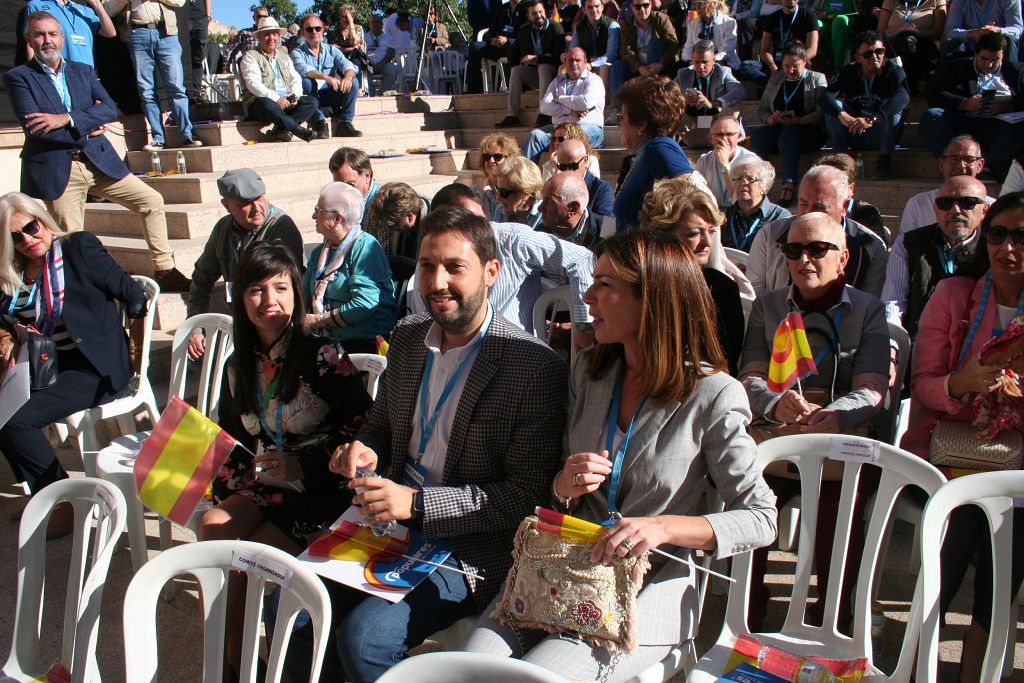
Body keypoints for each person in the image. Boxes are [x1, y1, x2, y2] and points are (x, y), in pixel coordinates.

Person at [465, 230, 777, 681]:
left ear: (652, 299)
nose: (587, 295)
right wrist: (562, 486)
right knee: (470, 670)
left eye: (605, 285)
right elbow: (553, 489)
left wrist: (662, 527)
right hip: (561, 569)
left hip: (645, 592)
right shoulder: (590, 372)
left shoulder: (712, 395)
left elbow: (762, 517)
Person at [279, 206, 573, 683]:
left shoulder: (532, 367)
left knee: (364, 639)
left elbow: (525, 497)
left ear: (491, 272)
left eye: (455, 267)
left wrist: (416, 503)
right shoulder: (410, 334)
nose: (436, 282)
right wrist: (363, 448)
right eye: (426, 266)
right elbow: (380, 424)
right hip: (389, 527)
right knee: (291, 604)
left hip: (470, 546)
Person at [200, 241, 372, 680]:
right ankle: (231, 656)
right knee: (212, 526)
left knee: (245, 562)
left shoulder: (324, 357)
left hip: (324, 489)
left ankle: (233, 664)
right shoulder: (239, 366)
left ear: (297, 293)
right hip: (271, 485)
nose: (269, 301)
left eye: (281, 288)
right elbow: (233, 439)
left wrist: (306, 467)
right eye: (256, 290)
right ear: (240, 298)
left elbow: (364, 428)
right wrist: (234, 481)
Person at [740, 212, 890, 631]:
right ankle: (746, 613)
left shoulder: (868, 310)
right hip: (778, 434)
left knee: (836, 513)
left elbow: (874, 387)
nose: (804, 258)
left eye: (817, 249)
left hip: (838, 438)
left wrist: (836, 415)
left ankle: (833, 619)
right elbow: (749, 376)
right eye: (794, 250)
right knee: (748, 498)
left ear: (842, 259)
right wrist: (773, 403)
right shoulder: (769, 306)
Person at [899, 191, 1024, 683]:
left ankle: (972, 670)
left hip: (1016, 463)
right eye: (998, 234)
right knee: (971, 517)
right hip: (952, 453)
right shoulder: (955, 295)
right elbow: (922, 385)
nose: (1008, 247)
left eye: (1021, 236)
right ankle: (916, 666)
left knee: (1008, 528)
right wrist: (963, 383)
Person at [5, 11, 191, 293]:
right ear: (28, 39)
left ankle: (164, 268)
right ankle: (86, 290)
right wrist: (86, 123)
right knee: (73, 239)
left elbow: (107, 108)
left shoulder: (82, 70)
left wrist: (66, 119)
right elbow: (37, 129)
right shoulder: (19, 77)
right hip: (59, 169)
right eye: (40, 35)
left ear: (62, 38)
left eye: (52, 34)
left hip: (99, 161)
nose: (47, 41)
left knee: (151, 200)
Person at [0, 192, 147, 539]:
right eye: (14, 237)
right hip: (50, 366)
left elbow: (132, 295)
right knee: (1, 412)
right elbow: (6, 318)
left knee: (17, 422)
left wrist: (135, 351)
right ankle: (40, 492)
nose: (27, 239)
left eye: (31, 228)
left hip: (96, 367)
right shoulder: (16, 272)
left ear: (43, 220)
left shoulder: (77, 249)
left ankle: (64, 501)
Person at [422, 184, 597, 337]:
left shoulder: (513, 240)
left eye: (481, 221)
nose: (438, 282)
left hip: (511, 351)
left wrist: (583, 327)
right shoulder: (430, 258)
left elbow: (581, 259)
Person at [186, 169, 303, 358]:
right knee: (199, 357)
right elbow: (201, 278)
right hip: (241, 319)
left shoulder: (281, 227)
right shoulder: (223, 229)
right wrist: (196, 326)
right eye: (245, 203)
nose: (256, 207)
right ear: (226, 205)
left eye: (259, 198)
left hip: (273, 322)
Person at [640, 179, 747, 373]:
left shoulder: (721, 288)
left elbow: (725, 364)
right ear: (660, 234)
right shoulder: (637, 285)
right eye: (693, 233)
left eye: (711, 231)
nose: (707, 242)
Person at [747, 164, 889, 297]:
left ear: (844, 206)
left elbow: (870, 303)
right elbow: (756, 292)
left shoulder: (870, 247)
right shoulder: (770, 234)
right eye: (803, 204)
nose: (808, 213)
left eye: (819, 207)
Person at [881, 175, 987, 337]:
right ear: (935, 209)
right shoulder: (908, 243)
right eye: (945, 203)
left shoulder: (992, 247)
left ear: (984, 211)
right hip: (919, 343)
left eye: (967, 203)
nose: (955, 210)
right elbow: (893, 304)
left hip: (973, 345)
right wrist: (893, 345)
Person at [920, 31, 1024, 184]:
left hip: (1001, 126)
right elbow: (935, 94)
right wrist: (964, 103)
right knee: (932, 116)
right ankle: (954, 162)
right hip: (966, 121)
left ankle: (987, 165)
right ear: (976, 53)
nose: (988, 64)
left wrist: (1008, 105)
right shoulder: (957, 67)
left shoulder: (1017, 71)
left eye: (995, 60)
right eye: (984, 59)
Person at [303, 183, 397, 354]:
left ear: (337, 218)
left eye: (319, 210)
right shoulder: (320, 253)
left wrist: (320, 320)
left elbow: (365, 304)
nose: (313, 215)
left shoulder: (365, 248)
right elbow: (302, 294)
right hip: (326, 340)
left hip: (361, 342)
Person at [103, 0, 201, 151]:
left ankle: (187, 135)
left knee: (176, 87)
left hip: (166, 33)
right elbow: (108, 10)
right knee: (146, 91)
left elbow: (180, 2)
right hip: (137, 34)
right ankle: (157, 138)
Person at [821, 31, 910, 180]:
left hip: (883, 132)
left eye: (879, 51)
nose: (875, 57)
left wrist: (873, 118)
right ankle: (841, 159)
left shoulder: (893, 70)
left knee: (894, 108)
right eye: (868, 54)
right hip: (855, 129)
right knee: (834, 107)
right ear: (858, 57)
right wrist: (842, 115)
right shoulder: (849, 71)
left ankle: (884, 160)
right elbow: (825, 97)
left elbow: (903, 96)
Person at [611, 76, 694, 233]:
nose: (618, 125)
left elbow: (692, 199)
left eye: (621, 118)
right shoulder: (646, 153)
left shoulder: (661, 150)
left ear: (641, 125)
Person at [749, 41, 827, 207]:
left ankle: (789, 183)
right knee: (758, 136)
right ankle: (757, 180)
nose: (790, 71)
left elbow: (822, 112)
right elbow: (762, 110)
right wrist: (772, 118)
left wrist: (799, 120)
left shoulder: (817, 79)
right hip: (780, 127)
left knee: (789, 136)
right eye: (786, 66)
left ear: (805, 62)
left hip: (807, 130)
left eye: (795, 66)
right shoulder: (776, 79)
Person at [239, 17, 319, 143]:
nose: (271, 38)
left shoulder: (284, 56)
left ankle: (283, 130)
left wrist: (295, 95)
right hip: (261, 102)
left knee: (311, 101)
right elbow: (253, 84)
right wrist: (276, 98)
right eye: (266, 34)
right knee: (267, 104)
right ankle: (297, 130)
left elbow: (295, 79)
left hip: (285, 100)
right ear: (259, 37)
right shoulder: (250, 57)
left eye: (274, 34)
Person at [524, 46, 605, 163]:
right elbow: (544, 106)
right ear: (565, 62)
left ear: (585, 62)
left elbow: (585, 103)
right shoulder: (557, 82)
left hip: (589, 128)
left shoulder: (593, 80)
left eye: (578, 60)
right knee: (535, 136)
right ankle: (528, 178)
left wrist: (559, 99)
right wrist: (570, 111)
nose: (574, 63)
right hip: (559, 129)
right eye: (570, 60)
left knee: (568, 137)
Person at [291, 13, 362, 139]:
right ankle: (320, 122)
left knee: (354, 82)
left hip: (329, 93)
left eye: (318, 28)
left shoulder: (331, 50)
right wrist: (326, 77)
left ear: (323, 29)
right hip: (310, 97)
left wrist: (347, 77)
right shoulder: (297, 52)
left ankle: (345, 123)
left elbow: (349, 66)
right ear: (303, 32)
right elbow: (305, 70)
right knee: (307, 81)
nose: (314, 32)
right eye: (309, 29)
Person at [497, 0, 566, 128]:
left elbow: (557, 56)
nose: (539, 15)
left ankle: (543, 113)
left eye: (540, 12)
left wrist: (537, 58)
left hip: (552, 74)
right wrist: (514, 65)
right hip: (534, 74)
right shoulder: (524, 30)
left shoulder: (556, 28)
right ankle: (512, 115)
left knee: (543, 67)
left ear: (545, 12)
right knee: (517, 71)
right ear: (528, 16)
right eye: (534, 13)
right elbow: (514, 49)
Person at [900, 135, 991, 232]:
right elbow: (906, 244)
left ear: (980, 165)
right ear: (941, 164)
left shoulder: (994, 207)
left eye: (969, 159)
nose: (961, 166)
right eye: (954, 159)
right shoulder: (918, 204)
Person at [674, 39, 747, 148]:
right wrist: (683, 99)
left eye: (705, 62)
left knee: (734, 106)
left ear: (713, 60)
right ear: (692, 60)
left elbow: (740, 91)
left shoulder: (723, 72)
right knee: (669, 107)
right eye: (697, 62)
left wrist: (713, 104)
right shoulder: (683, 74)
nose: (700, 67)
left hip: (718, 128)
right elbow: (667, 94)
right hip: (692, 129)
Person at [611, 0, 679, 118]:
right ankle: (618, 110)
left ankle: (652, 104)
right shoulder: (628, 25)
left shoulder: (661, 19)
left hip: (660, 66)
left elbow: (672, 45)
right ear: (632, 8)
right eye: (638, 7)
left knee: (654, 44)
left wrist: (660, 64)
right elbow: (626, 51)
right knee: (617, 66)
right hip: (639, 68)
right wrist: (640, 67)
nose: (642, 9)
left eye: (645, 5)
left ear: (650, 5)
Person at [738, 0, 819, 88]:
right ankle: (776, 86)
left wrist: (794, 62)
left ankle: (775, 86)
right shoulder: (773, 18)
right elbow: (764, 50)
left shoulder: (809, 16)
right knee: (746, 66)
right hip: (777, 62)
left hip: (797, 63)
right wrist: (772, 66)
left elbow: (812, 49)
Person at [723, 157, 791, 252]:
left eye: (750, 178)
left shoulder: (780, 218)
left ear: (765, 186)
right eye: (739, 178)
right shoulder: (724, 217)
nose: (743, 183)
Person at [876, 0, 945, 93]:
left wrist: (914, 30)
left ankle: (908, 85)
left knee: (906, 41)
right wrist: (901, 29)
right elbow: (880, 32)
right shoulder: (890, 2)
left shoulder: (936, 1)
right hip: (894, 43)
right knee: (901, 42)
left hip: (923, 44)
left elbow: (938, 32)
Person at [21, 0, 115, 66]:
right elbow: (31, 43)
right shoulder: (37, 5)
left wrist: (97, 4)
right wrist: (34, 76)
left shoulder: (84, 10)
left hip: (87, 76)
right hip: (57, 74)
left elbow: (110, 32)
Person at [694, 113, 756, 209]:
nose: (724, 139)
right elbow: (696, 195)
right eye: (719, 134)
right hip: (712, 214)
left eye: (729, 134)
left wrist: (724, 165)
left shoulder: (750, 160)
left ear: (739, 137)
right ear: (711, 139)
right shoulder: (704, 161)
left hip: (741, 214)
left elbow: (745, 202)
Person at [554, 138, 615, 222]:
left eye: (573, 166)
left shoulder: (601, 189)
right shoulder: (556, 188)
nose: (568, 171)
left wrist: (578, 214)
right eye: (563, 167)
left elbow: (609, 227)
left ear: (586, 160)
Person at [365, 181, 429, 260]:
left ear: (410, 217)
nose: (389, 230)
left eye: (393, 227)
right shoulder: (400, 221)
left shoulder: (434, 227)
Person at [941, 0, 1021, 63]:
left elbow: (1017, 28)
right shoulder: (960, 1)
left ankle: (1009, 78)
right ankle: (943, 82)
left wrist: (998, 30)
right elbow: (950, 32)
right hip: (970, 46)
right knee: (950, 43)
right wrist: (972, 33)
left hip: (997, 47)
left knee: (1009, 40)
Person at [538, 171, 603, 249]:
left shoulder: (610, 230)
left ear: (572, 209)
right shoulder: (540, 234)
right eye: (543, 200)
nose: (540, 208)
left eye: (549, 202)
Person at [570, 0, 621, 96]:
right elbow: (574, 50)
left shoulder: (612, 26)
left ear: (602, 7)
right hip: (587, 64)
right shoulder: (579, 28)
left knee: (604, 66)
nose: (594, 10)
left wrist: (592, 64)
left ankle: (600, 102)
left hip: (606, 66)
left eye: (597, 6)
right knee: (566, 67)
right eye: (590, 7)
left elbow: (611, 54)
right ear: (584, 10)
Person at [680, 0, 741, 70]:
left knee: (716, 68)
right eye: (696, 4)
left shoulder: (729, 23)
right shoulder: (693, 24)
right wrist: (691, 60)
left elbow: (725, 52)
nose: (698, 7)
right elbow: (687, 49)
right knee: (678, 68)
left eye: (701, 4)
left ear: (713, 5)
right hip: (697, 62)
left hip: (721, 62)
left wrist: (707, 61)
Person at [329, 148, 381, 228]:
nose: (344, 192)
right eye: (339, 186)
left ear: (367, 176)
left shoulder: (381, 206)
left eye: (350, 185)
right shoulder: (337, 198)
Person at [477, 134, 524, 221]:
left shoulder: (517, 192)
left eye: (497, 157)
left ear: (510, 159)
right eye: (486, 157)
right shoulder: (476, 193)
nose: (491, 160)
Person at [493, 156, 545, 228]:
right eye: (497, 190)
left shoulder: (543, 216)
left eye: (503, 192)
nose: (498, 198)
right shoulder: (501, 210)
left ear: (525, 193)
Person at [186, 0, 211, 104]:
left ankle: (196, 92)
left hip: (201, 18)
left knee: (199, 57)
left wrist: (208, 16)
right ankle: (187, 92)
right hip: (184, 17)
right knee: (184, 55)